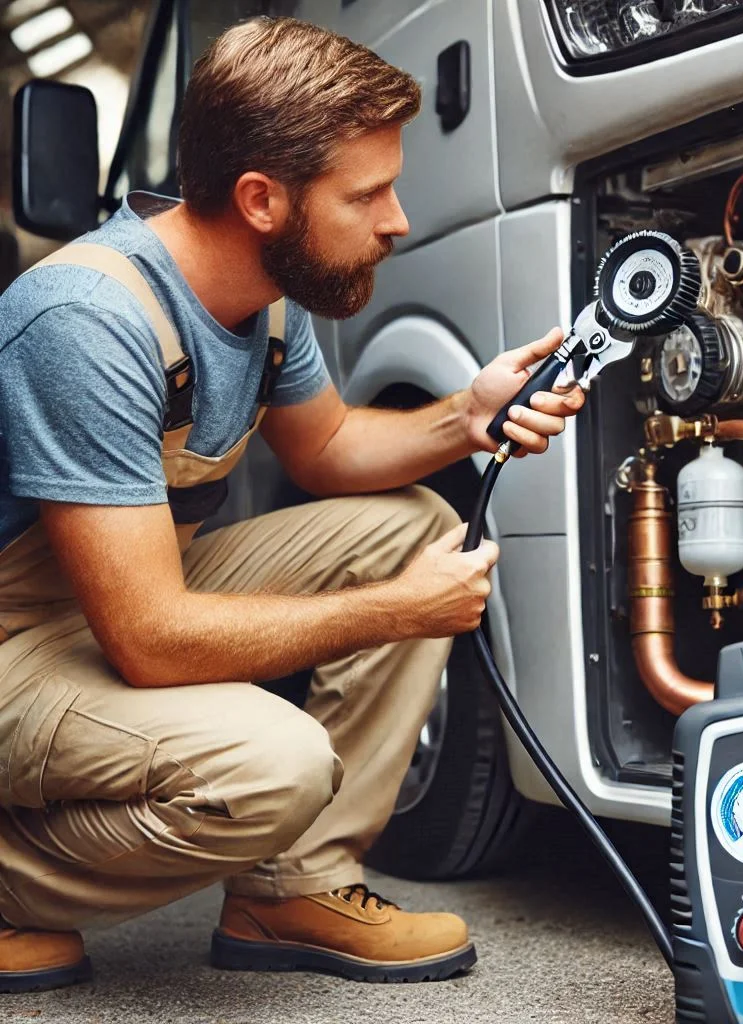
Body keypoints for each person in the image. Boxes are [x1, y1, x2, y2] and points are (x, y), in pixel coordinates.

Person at [0, 17, 583, 992]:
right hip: (22, 644)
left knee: (410, 532)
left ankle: (291, 888)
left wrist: (467, 417)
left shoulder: (264, 294)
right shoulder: (87, 321)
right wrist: (392, 616)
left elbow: (326, 447)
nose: (395, 220)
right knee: (273, 765)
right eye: (367, 195)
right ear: (261, 199)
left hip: (110, 606)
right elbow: (148, 636)